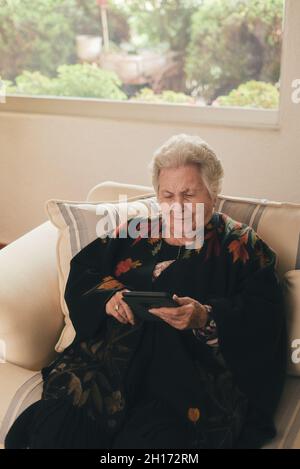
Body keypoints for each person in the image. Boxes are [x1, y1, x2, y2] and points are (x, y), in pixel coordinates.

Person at [5, 134, 286, 449]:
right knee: (56, 432)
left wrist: (205, 317)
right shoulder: (136, 232)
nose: (177, 206)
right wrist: (108, 297)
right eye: (167, 195)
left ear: (213, 193)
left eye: (188, 194)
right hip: (108, 369)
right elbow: (85, 271)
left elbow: (265, 318)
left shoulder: (243, 247)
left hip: (185, 384)